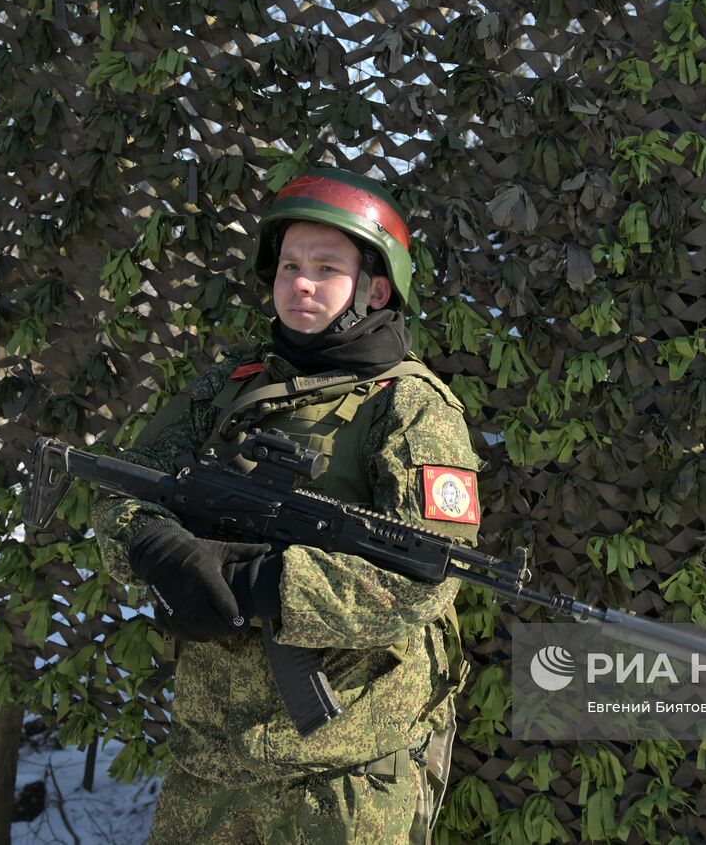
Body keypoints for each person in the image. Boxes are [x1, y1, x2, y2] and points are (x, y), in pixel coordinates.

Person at [89, 167, 481, 844]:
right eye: (290, 265)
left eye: (326, 268)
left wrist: (262, 582)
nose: (300, 282)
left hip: (346, 775)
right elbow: (126, 486)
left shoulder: (412, 408)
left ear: (375, 288)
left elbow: (426, 576)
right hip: (210, 759)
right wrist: (158, 548)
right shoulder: (232, 386)